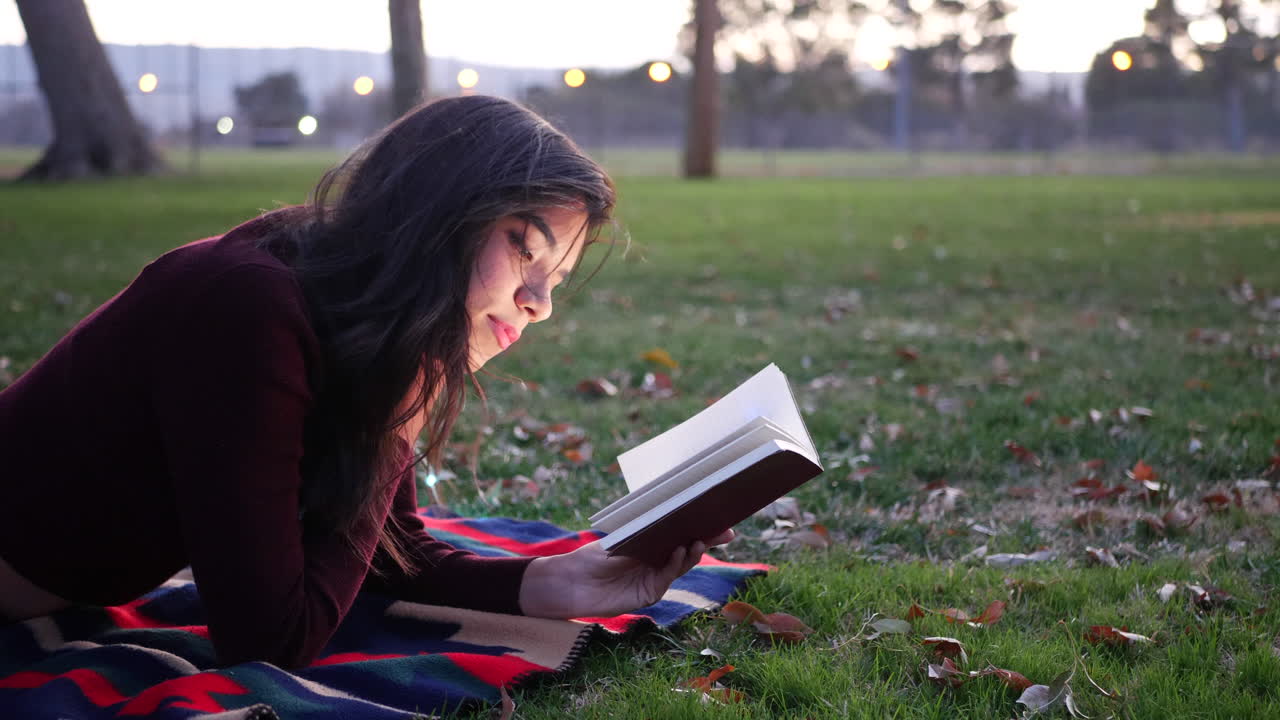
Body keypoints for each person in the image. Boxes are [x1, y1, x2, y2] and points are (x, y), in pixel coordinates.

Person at [0, 95, 732, 669]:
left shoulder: (345, 311)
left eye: (556, 281)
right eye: (524, 252)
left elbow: (390, 551)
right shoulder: (247, 308)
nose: (538, 304)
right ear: (437, 216)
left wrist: (555, 583)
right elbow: (271, 639)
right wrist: (396, 416)